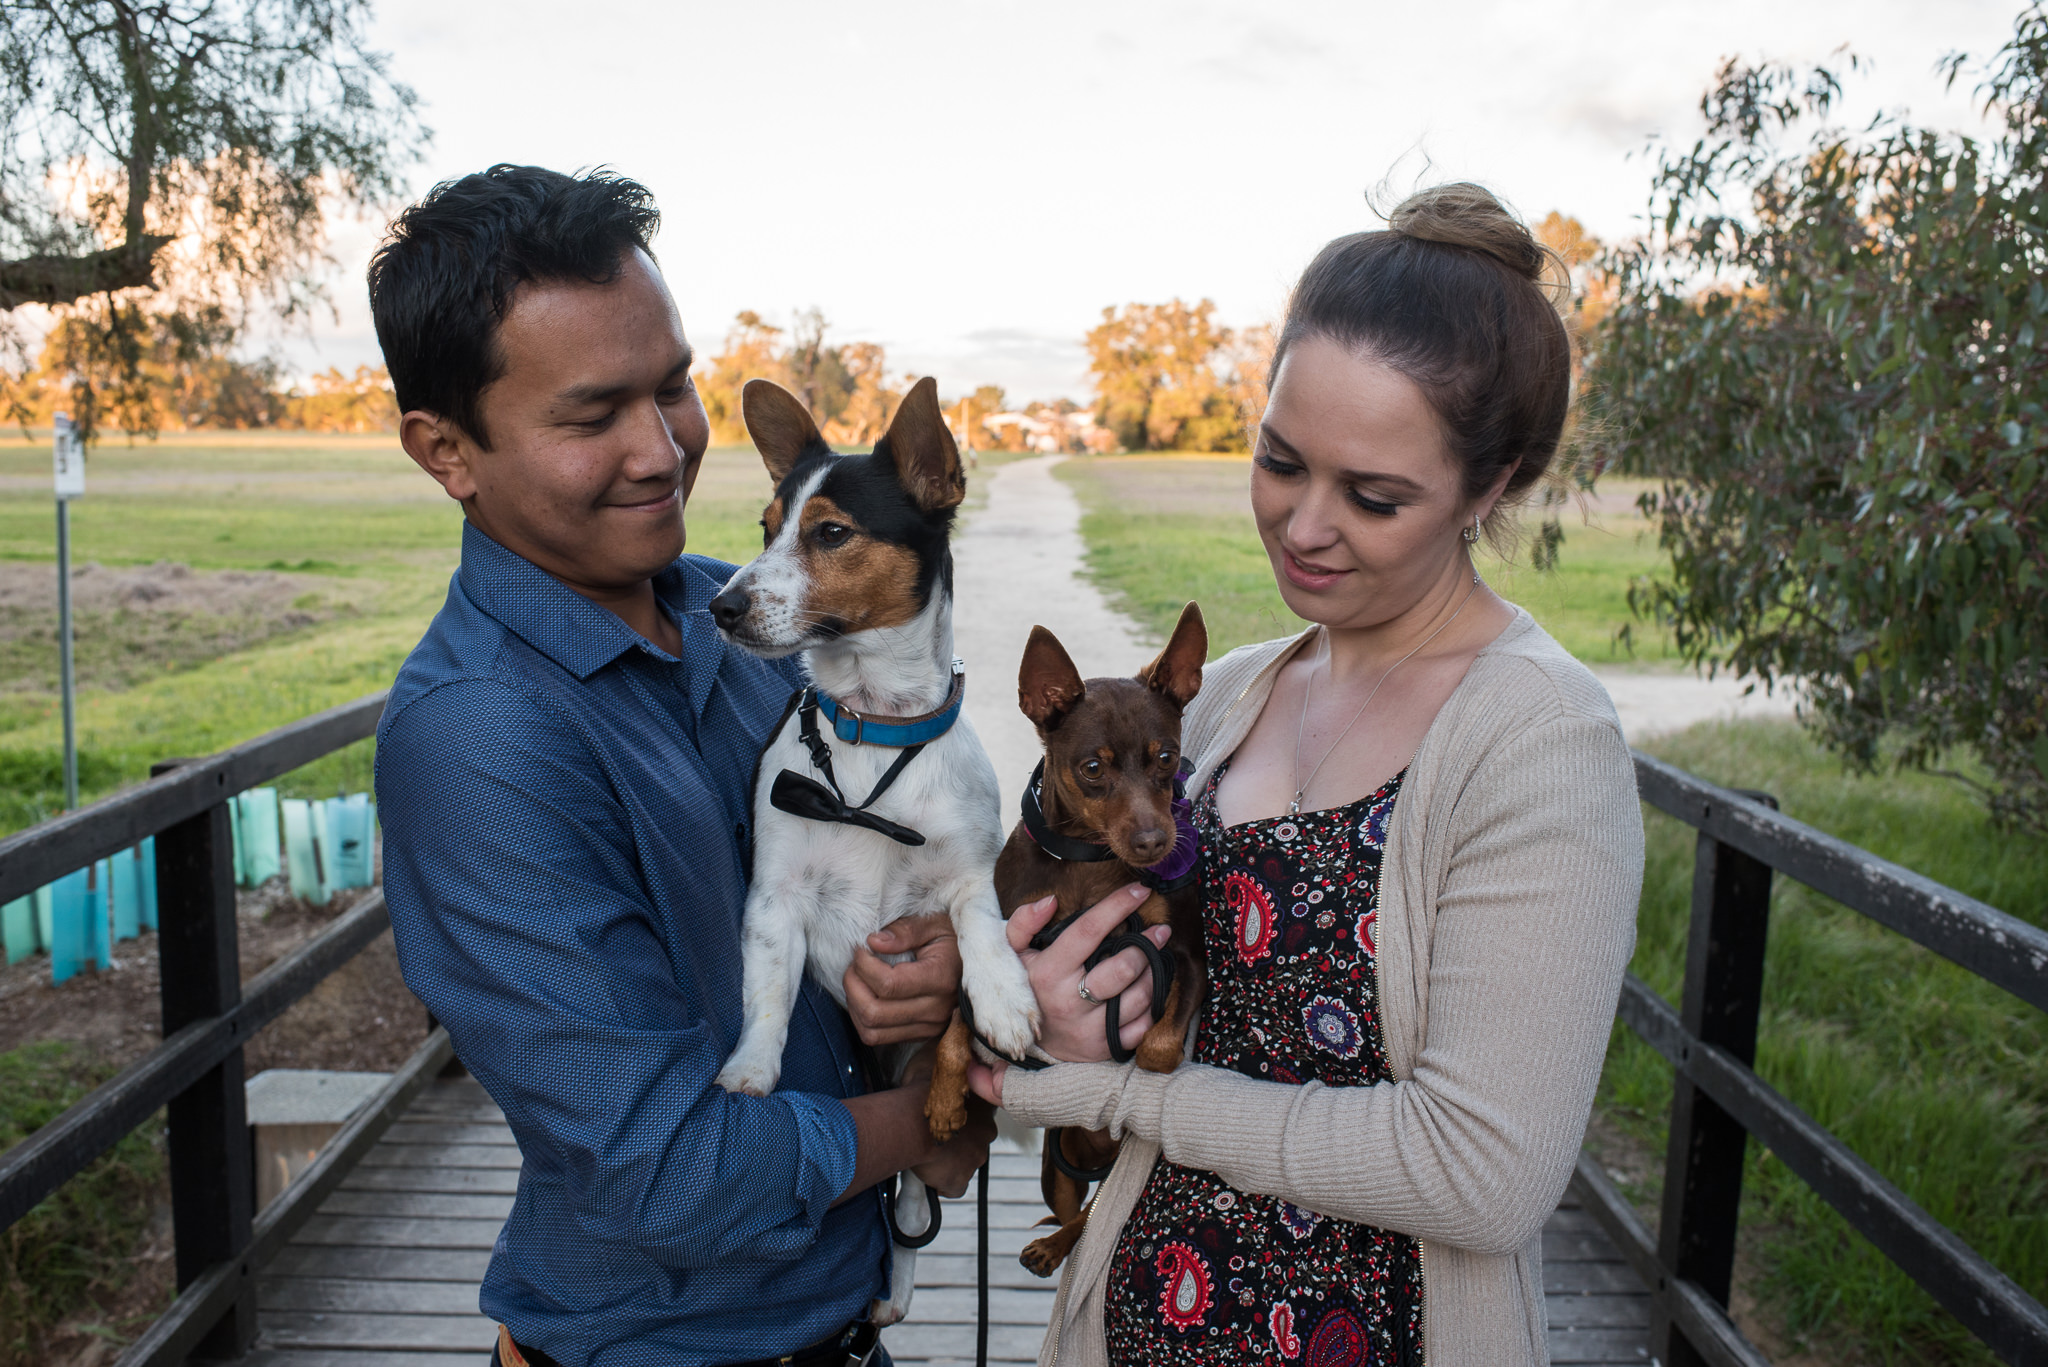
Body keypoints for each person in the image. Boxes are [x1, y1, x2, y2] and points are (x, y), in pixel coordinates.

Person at [970, 184, 1646, 1366]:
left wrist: (1117, 1098)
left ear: (1492, 485)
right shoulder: (1226, 694)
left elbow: (1480, 1174)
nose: (1301, 525)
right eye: (1279, 461)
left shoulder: (1537, 741)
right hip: (1128, 1327)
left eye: (1372, 495)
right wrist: (1008, 1012)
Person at [368, 164, 997, 1367]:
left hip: (843, 1322)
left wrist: (928, 972)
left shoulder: (750, 621)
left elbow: (896, 867)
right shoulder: (478, 738)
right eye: (591, 414)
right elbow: (666, 1169)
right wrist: (928, 1121)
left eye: (672, 388)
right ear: (448, 450)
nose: (662, 451)